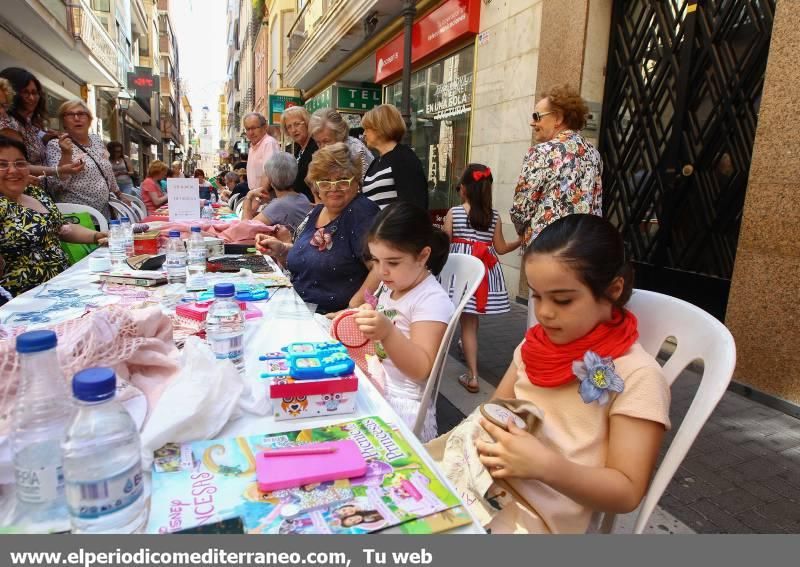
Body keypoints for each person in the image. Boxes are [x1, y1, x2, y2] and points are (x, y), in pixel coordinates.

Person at [435, 214, 670, 534]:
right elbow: (495, 409)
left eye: (562, 299)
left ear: (614, 290)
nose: (544, 312)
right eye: (536, 295)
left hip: (537, 521)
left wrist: (546, 467)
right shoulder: (535, 345)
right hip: (479, 486)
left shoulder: (637, 375)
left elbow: (627, 490)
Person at [354, 202, 453, 442]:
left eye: (393, 262)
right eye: (376, 261)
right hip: (378, 387)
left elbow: (421, 369)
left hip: (402, 408)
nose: (382, 271)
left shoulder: (430, 300)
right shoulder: (394, 287)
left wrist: (387, 332)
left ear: (423, 256)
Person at [254, 142, 380, 314]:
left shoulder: (361, 212)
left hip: (330, 322)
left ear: (356, 182)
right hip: (298, 311)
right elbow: (310, 257)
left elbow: (380, 269)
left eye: (343, 181)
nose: (333, 188)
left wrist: (350, 311)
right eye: (325, 182)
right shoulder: (319, 210)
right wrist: (282, 250)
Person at [444, 164, 522, 394]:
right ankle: (471, 371)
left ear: (465, 189)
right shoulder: (494, 215)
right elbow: (501, 248)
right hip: (482, 274)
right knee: (470, 324)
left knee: (456, 321)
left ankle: (469, 375)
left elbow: (445, 243)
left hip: (459, 272)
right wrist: (521, 240)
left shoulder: (455, 213)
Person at [0, 135, 108, 297]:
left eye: (20, 163)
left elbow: (62, 228)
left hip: (64, 283)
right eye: (2, 165)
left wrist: (98, 235)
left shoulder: (36, 194)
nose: (13, 170)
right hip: (24, 297)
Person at [509, 84, 603, 245]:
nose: (532, 123)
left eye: (537, 116)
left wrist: (523, 232)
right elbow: (596, 204)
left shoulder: (541, 152)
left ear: (558, 118)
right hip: (581, 246)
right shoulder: (594, 154)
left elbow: (521, 208)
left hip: (547, 248)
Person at [45, 99, 128, 220]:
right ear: (64, 122)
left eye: (81, 114)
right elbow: (58, 185)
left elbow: (107, 171)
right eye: (70, 114)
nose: (77, 118)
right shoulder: (55, 145)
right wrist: (66, 154)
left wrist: (119, 194)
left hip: (103, 214)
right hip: (78, 217)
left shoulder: (96, 140)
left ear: (89, 120)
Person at [0, 68, 83, 183]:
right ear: (13, 94)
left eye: (35, 93)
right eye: (26, 92)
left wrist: (48, 138)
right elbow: (17, 164)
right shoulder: (8, 125)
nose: (32, 98)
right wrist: (58, 170)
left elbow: (36, 137)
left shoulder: (27, 123)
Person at [361, 104, 427, 210]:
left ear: (379, 128)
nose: (364, 133)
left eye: (367, 128)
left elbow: (414, 205)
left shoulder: (403, 157)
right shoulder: (375, 162)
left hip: (396, 226)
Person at [242, 151, 311, 231]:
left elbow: (245, 230)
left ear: (270, 179)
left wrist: (249, 197)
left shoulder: (279, 205)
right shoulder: (302, 198)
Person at [308, 108, 373, 181]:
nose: (322, 147)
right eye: (318, 143)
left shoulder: (356, 151)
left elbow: (362, 186)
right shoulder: (326, 153)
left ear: (340, 134)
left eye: (326, 141)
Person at [281, 106, 317, 202]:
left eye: (297, 124)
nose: (293, 130)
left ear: (307, 123)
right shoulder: (298, 149)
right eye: (289, 127)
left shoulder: (316, 146)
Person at [243, 112, 280, 194]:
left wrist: (257, 199)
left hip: (266, 195)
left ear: (264, 127)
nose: (251, 133)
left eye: (254, 128)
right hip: (256, 194)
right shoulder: (252, 147)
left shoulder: (268, 143)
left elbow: (268, 174)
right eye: (247, 129)